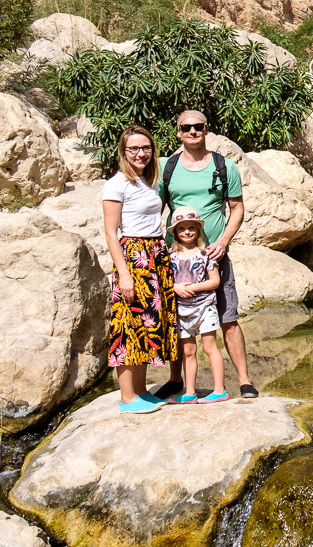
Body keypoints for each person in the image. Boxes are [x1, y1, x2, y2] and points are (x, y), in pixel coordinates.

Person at [152, 110, 258, 399]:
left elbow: (237, 208)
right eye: (186, 127)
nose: (192, 131)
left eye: (198, 126)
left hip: (214, 256)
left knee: (228, 316)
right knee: (175, 318)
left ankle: (245, 381)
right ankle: (176, 380)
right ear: (178, 132)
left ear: (206, 129)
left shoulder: (225, 167)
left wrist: (223, 241)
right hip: (177, 257)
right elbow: (157, 207)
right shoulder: (166, 168)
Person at [101, 125, 178, 414]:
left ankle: (142, 391)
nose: (140, 153)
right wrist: (123, 273)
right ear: (123, 152)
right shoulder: (116, 183)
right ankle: (127, 398)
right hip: (133, 255)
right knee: (128, 323)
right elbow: (111, 233)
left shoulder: (150, 182)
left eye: (145, 148)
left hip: (155, 253)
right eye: (133, 148)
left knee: (148, 322)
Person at [165, 206, 229, 404]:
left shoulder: (205, 254)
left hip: (205, 306)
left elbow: (215, 281)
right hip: (182, 310)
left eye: (191, 228)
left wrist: (194, 287)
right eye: (182, 228)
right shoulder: (170, 256)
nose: (187, 232)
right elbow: (165, 280)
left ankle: (220, 390)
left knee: (210, 347)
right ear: (175, 232)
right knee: (187, 351)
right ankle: (189, 392)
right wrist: (175, 287)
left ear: (198, 229)